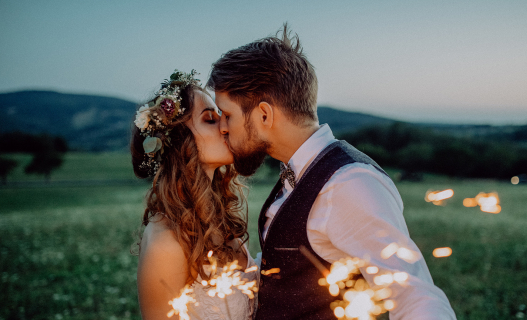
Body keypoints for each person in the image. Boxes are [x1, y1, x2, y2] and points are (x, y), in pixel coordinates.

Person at [206, 25, 457, 319]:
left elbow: (414, 295)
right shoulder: (299, 170)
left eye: (228, 114)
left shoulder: (350, 183)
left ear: (264, 114)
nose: (223, 126)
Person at [131, 70, 258, 320]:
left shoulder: (220, 220)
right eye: (210, 119)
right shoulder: (166, 243)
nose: (225, 126)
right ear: (178, 142)